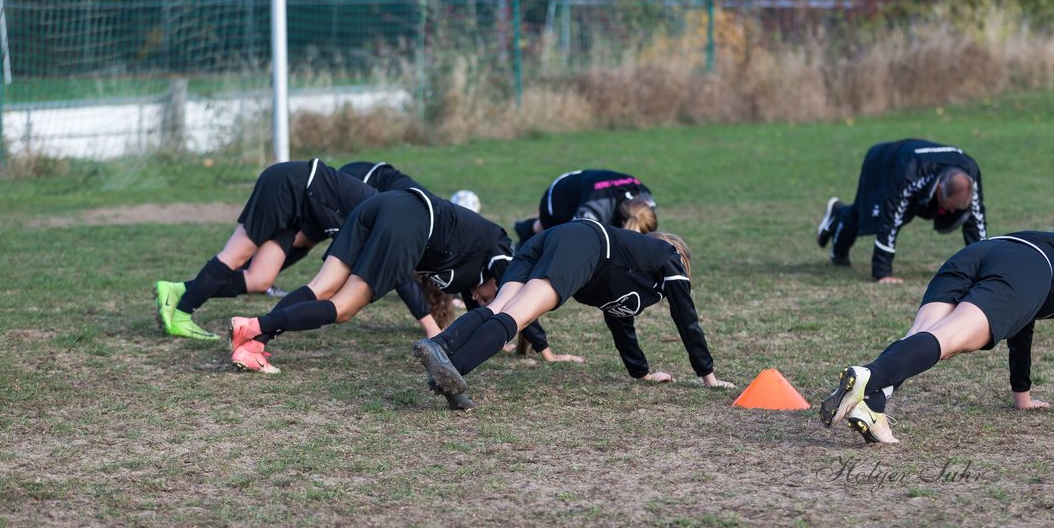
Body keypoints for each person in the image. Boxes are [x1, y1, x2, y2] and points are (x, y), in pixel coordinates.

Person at [818, 213, 1054, 446]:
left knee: (922, 336)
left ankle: (873, 406)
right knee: (946, 341)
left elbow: (1021, 327)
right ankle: (868, 376)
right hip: (1020, 268)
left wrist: (1023, 397)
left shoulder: (1045, 243)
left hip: (978, 252)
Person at [227, 188, 573, 399]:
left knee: (321, 288)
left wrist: (492, 339)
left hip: (385, 207)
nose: (482, 301)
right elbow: (516, 304)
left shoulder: (475, 279)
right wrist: (545, 351)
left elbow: (480, 308)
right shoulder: (502, 252)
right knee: (343, 307)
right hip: (410, 217)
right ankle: (253, 326)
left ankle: (254, 345)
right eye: (488, 298)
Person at [412, 219, 734, 409]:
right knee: (517, 317)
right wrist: (709, 376)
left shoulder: (630, 270)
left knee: (500, 307)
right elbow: (686, 318)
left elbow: (620, 319)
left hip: (556, 237)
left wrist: (641, 373)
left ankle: (442, 345)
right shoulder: (668, 257)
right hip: (584, 243)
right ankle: (452, 366)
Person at [154, 158, 437, 341]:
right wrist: (429, 324)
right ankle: (182, 315)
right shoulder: (386, 218)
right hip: (288, 184)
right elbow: (400, 276)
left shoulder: (377, 222)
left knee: (260, 278)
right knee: (235, 255)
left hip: (298, 208)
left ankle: (179, 290)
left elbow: (304, 242)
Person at [815, 139, 987, 283]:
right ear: (939, 190)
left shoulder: (970, 171)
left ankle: (837, 217)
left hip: (913, 164)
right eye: (949, 206)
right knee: (868, 217)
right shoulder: (911, 172)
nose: (951, 211)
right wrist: (883, 272)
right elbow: (891, 217)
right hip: (883, 163)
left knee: (968, 216)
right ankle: (838, 219)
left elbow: (977, 219)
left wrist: (983, 270)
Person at [513, 169, 657, 245]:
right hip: (561, 193)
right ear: (623, 223)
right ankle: (525, 230)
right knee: (549, 234)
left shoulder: (647, 201)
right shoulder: (593, 209)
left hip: (592, 188)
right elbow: (579, 239)